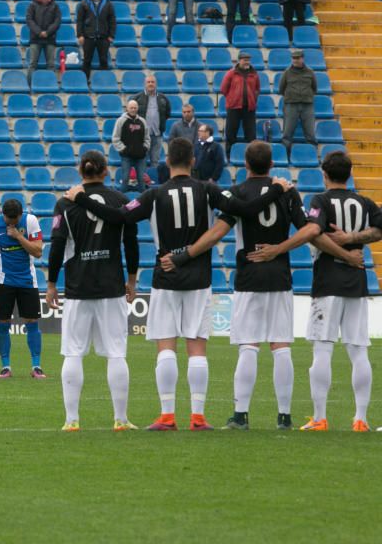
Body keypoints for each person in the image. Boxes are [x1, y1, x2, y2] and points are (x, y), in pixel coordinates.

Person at [67, 137, 290, 432]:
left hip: (166, 275)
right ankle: (198, 417)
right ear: (193, 162)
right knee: (197, 349)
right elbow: (245, 210)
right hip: (199, 277)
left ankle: (167, 416)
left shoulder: (154, 194)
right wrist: (276, 189)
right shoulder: (209, 190)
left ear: (167, 162)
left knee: (166, 347)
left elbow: (120, 217)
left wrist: (80, 197)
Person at [160, 142, 362, 430]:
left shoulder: (239, 193)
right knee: (281, 347)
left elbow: (218, 232)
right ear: (270, 164)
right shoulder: (287, 192)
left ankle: (241, 415)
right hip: (279, 276)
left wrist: (186, 254)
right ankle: (284, 416)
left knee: (248, 347)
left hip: (249, 277)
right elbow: (309, 229)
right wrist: (281, 248)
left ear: (246, 163)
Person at [239, 150, 378, 431]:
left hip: (328, 282)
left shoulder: (320, 201)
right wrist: (353, 242)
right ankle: (361, 419)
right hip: (357, 282)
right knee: (358, 350)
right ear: (350, 174)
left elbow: (312, 231)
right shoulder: (364, 202)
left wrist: (281, 249)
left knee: (323, 350)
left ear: (324, 175)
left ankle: (319, 417)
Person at [47, 151, 138, 430]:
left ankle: (71, 420)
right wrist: (131, 279)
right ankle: (120, 419)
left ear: (80, 169)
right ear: (107, 170)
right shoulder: (121, 200)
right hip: (111, 286)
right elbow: (131, 244)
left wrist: (52, 283)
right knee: (116, 352)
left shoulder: (65, 203)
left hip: (78, 287)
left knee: (73, 352)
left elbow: (58, 245)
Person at [0, 198, 45, 379]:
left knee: (31, 322)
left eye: (15, 220)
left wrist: (18, 236)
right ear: (3, 215)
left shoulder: (30, 221)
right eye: (9, 220)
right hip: (4, 282)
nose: (12, 223)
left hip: (27, 281)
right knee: (3, 324)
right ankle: (5, 367)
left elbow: (38, 252)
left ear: (21, 214)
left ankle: (36, 366)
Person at [279, 49, 318, 154]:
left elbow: (314, 88)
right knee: (287, 134)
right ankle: (285, 155)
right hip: (291, 105)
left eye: (297, 58)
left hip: (307, 106)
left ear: (302, 59)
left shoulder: (310, 72)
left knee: (310, 134)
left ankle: (312, 155)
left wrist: (306, 96)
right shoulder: (287, 72)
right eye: (293, 58)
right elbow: (281, 88)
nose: (295, 60)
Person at [220, 50, 259, 152]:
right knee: (230, 133)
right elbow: (224, 89)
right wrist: (232, 98)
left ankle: (251, 155)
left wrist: (253, 99)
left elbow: (257, 89)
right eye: (245, 60)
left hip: (249, 108)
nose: (247, 62)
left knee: (251, 135)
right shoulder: (231, 73)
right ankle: (229, 155)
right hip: (234, 107)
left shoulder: (254, 74)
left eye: (248, 60)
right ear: (239, 61)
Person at [75, 0, 115, 79]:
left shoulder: (108, 3)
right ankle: (84, 82)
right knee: (87, 61)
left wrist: (111, 35)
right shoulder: (84, 3)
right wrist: (80, 35)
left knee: (104, 60)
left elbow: (112, 20)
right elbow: (79, 21)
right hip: (88, 37)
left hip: (103, 38)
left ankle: (103, 82)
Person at [25, 0, 61, 84]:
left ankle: (51, 85)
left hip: (50, 39)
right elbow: (29, 20)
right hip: (35, 39)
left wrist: (48, 32)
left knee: (51, 65)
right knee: (33, 64)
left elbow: (57, 21)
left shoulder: (55, 5)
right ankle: (30, 86)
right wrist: (39, 32)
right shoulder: (32, 5)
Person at [111, 99, 149, 192]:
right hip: (126, 157)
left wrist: (144, 149)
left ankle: (143, 201)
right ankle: (122, 201)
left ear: (137, 108)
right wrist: (124, 149)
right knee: (125, 179)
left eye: (135, 107)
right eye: (131, 107)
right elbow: (115, 138)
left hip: (140, 157)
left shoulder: (142, 121)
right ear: (127, 108)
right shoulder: (120, 121)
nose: (133, 109)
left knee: (141, 179)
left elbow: (147, 138)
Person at [134, 74, 171, 167]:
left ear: (156, 84)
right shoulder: (137, 98)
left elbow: (167, 113)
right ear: (144, 84)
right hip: (142, 136)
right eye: (148, 82)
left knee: (155, 160)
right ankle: (143, 180)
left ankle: (154, 180)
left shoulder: (163, 98)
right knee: (142, 161)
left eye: (152, 82)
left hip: (157, 134)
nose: (151, 84)